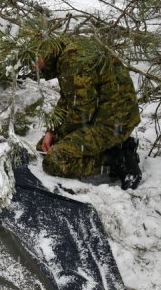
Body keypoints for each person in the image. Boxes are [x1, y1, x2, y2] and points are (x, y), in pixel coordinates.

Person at [35, 36, 142, 190]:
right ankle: (116, 147)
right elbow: (68, 99)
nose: (35, 69)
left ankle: (117, 160)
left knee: (54, 161)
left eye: (35, 63)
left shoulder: (72, 61)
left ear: (43, 56)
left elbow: (81, 113)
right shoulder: (68, 50)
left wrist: (60, 136)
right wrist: (51, 131)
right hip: (107, 117)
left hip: (112, 125)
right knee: (44, 145)